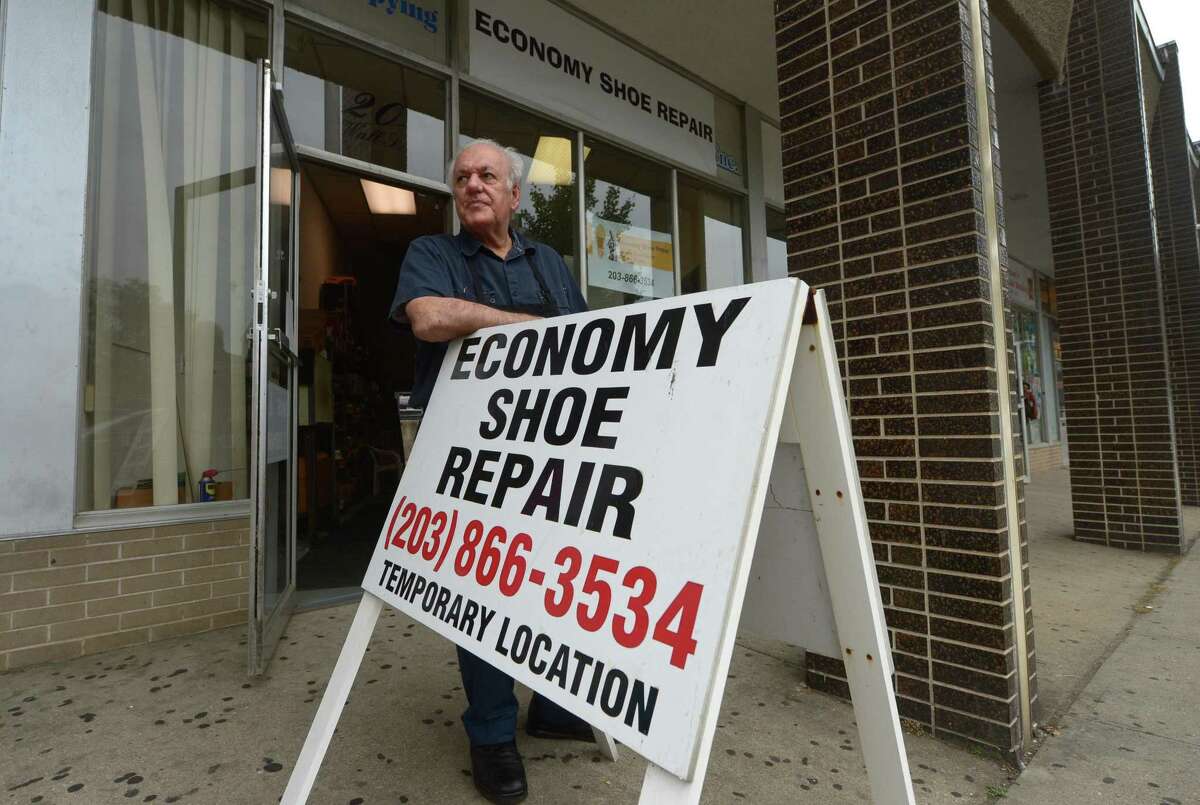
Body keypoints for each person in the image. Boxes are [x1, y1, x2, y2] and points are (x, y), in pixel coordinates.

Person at [389, 138, 592, 804]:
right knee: (485, 586)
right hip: (465, 460)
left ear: (516, 195)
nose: (473, 184)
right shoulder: (433, 255)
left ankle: (555, 706)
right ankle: (492, 732)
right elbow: (429, 316)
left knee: (556, 573)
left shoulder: (551, 264)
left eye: (487, 175)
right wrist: (528, 327)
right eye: (462, 177)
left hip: (549, 456)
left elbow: (590, 347)